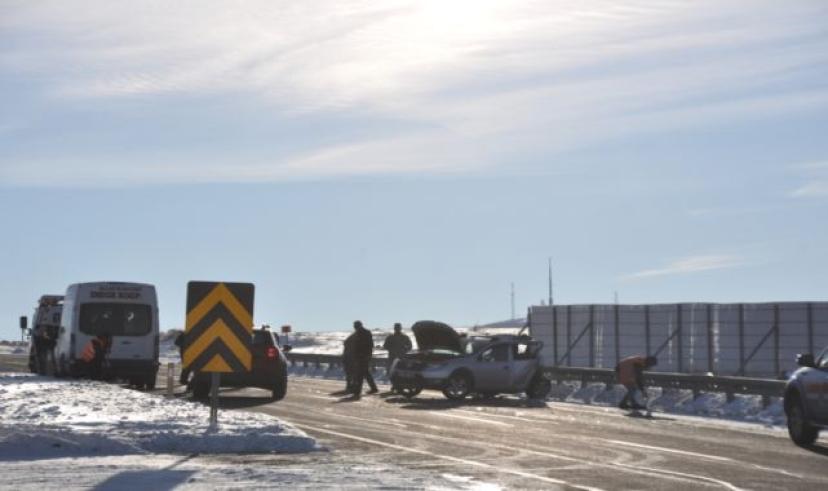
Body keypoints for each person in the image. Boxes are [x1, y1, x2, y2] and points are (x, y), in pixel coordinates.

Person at [350, 320, 378, 398]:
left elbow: (370, 345)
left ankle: (357, 391)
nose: (354, 327)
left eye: (355, 326)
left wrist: (367, 355)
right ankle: (374, 388)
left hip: (363, 356)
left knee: (360, 374)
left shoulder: (364, 333)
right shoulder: (359, 333)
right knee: (365, 373)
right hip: (361, 356)